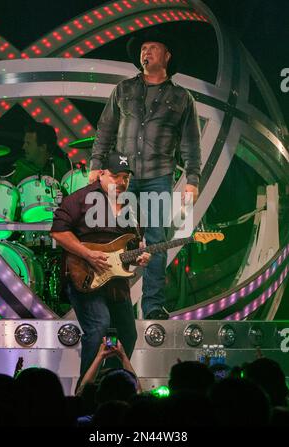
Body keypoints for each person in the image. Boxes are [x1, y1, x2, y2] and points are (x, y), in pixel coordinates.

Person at [89, 28, 201, 319]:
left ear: (166, 55)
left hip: (158, 176)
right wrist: (95, 164)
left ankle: (152, 306)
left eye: (152, 47)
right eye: (143, 48)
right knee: (111, 239)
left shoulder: (181, 97)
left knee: (155, 241)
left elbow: (190, 141)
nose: (145, 52)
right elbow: (106, 129)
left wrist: (193, 179)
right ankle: (110, 304)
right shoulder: (124, 90)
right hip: (120, 177)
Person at [50, 151, 150, 381]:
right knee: (98, 326)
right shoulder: (81, 199)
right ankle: (87, 389)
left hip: (115, 281)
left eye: (126, 178)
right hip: (85, 275)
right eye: (116, 176)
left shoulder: (131, 208)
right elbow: (58, 231)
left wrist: (141, 257)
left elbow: (133, 246)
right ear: (102, 174)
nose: (122, 182)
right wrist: (88, 254)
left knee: (128, 334)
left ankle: (112, 384)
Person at [9, 121, 69, 185]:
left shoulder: (60, 166)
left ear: (42, 147)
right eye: (25, 142)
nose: (23, 147)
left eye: (28, 143)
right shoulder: (20, 166)